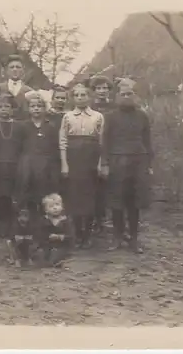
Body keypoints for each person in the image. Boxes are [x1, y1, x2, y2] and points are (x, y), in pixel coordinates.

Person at [100, 80, 154, 254]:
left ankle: (134, 238)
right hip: (117, 161)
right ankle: (117, 236)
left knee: (135, 202)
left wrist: (149, 164)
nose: (126, 97)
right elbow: (105, 141)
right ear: (117, 97)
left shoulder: (142, 116)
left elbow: (147, 141)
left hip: (138, 161)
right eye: (123, 94)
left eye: (129, 94)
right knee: (117, 201)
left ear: (134, 96)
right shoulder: (110, 116)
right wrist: (105, 163)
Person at [59, 82, 105, 249]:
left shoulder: (98, 116)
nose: (80, 98)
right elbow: (63, 141)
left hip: (91, 158)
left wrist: (100, 163)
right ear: (72, 98)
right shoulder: (68, 117)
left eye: (83, 95)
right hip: (74, 158)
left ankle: (88, 234)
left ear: (89, 97)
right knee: (75, 195)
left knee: (90, 195)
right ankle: (77, 232)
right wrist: (65, 164)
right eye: (77, 95)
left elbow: (102, 142)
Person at [0, 94, 25, 240]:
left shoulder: (20, 126)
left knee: (10, 196)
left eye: (7, 106)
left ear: (13, 109)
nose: (3, 110)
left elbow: (22, 147)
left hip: (14, 164)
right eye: (0, 107)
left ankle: (10, 226)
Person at [17, 91, 60, 224]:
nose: (36, 109)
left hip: (46, 165)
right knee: (28, 195)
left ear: (45, 108)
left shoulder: (50, 127)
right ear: (28, 108)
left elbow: (54, 148)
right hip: (28, 165)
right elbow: (18, 147)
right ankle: (29, 225)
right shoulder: (23, 126)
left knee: (44, 194)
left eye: (39, 106)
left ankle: (44, 224)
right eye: (33, 106)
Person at [89, 75, 115, 234]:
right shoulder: (89, 107)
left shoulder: (114, 107)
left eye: (105, 88)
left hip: (110, 149)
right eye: (99, 88)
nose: (102, 91)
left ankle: (108, 219)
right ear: (93, 90)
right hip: (91, 149)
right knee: (93, 186)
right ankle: (94, 220)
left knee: (109, 186)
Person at [36, 193, 75, 267]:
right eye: (51, 206)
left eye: (57, 205)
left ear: (62, 206)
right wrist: (47, 236)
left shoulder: (65, 221)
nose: (55, 208)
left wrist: (60, 237)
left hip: (62, 245)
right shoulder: (44, 220)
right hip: (47, 245)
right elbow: (39, 234)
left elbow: (71, 235)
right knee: (40, 254)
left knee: (56, 255)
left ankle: (58, 260)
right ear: (46, 210)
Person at [0, 54, 33, 120]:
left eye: (18, 67)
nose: (15, 69)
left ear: (23, 70)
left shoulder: (29, 90)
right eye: (12, 67)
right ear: (7, 70)